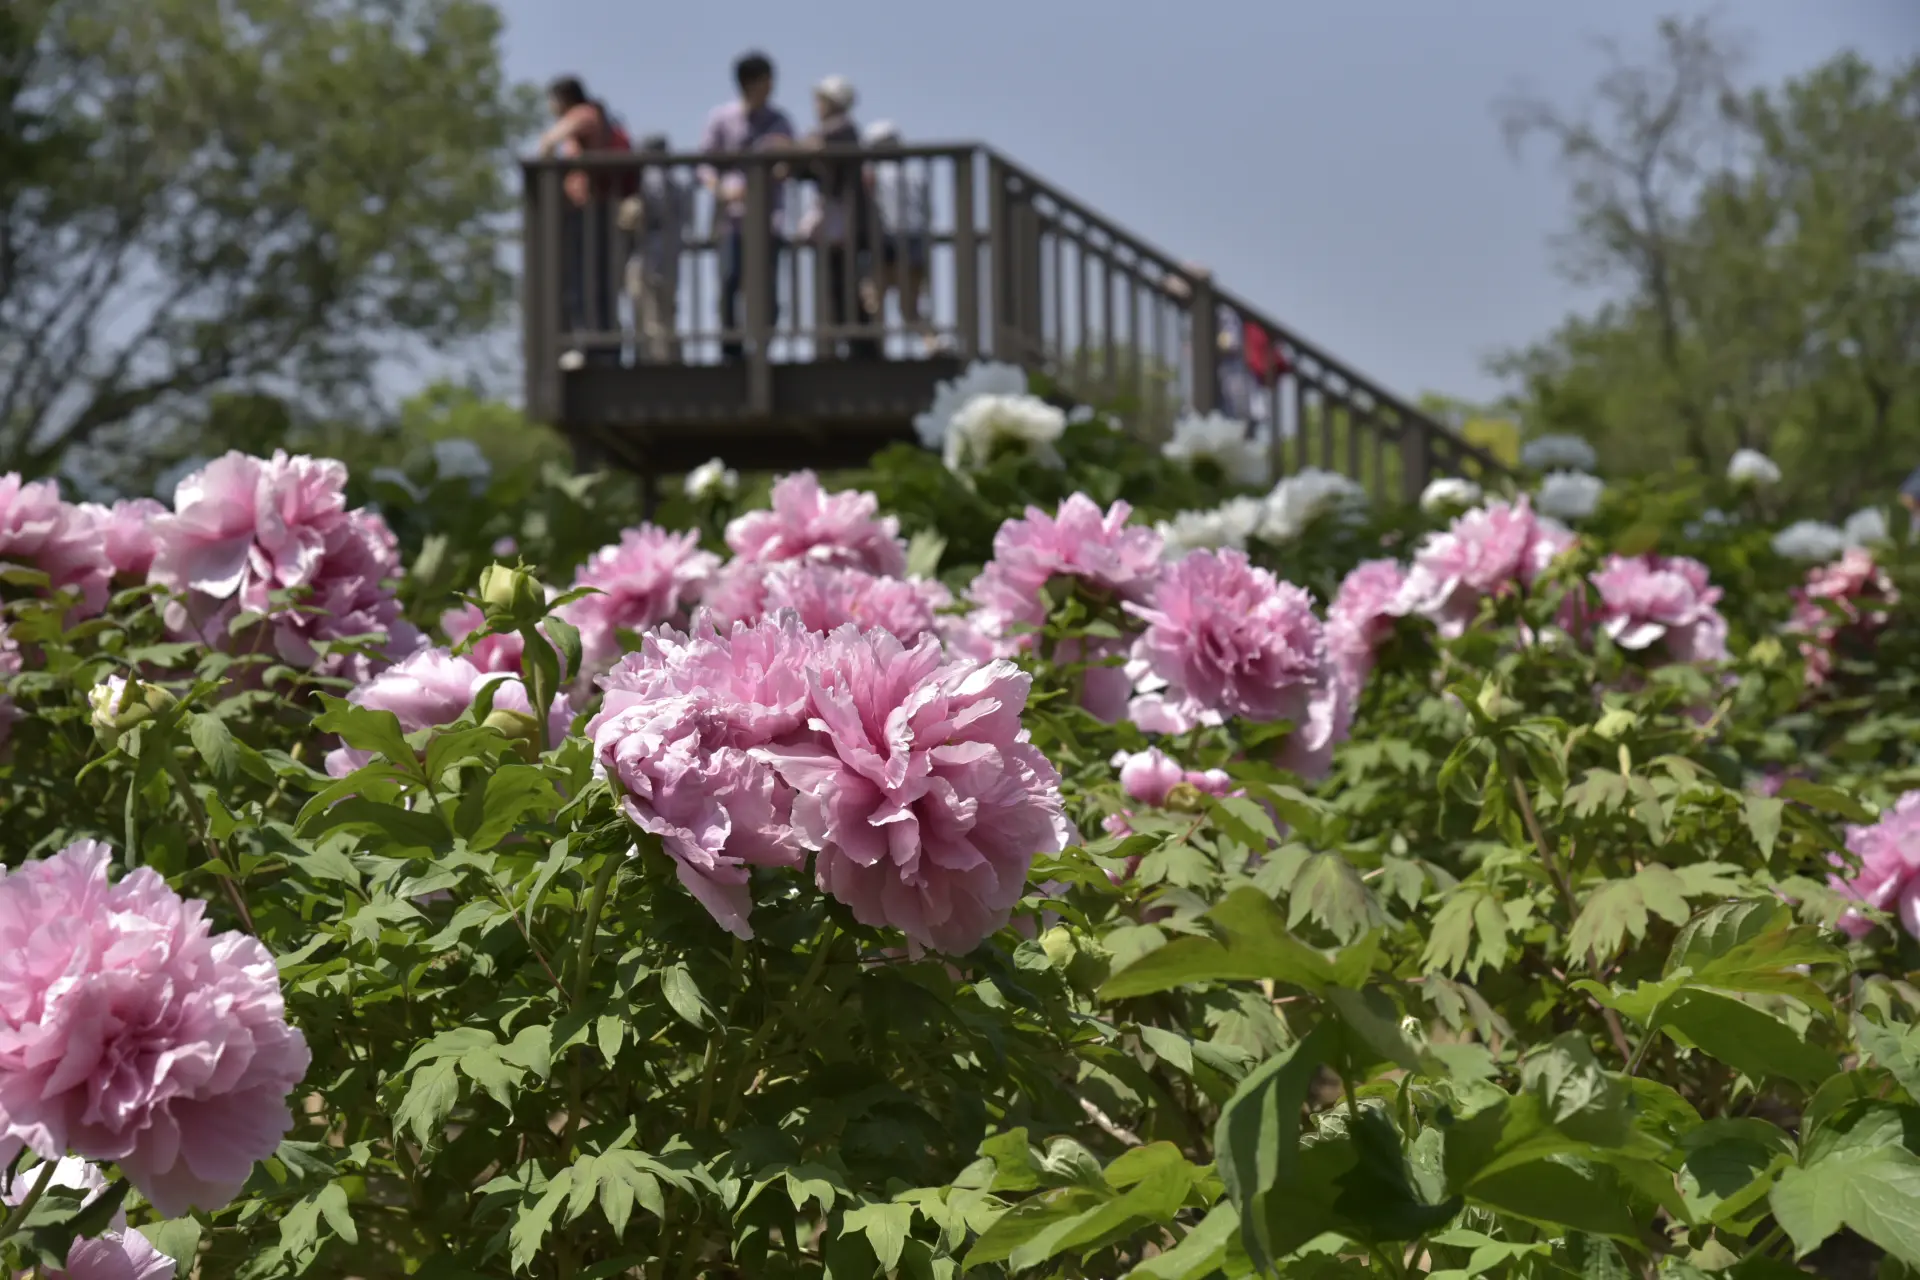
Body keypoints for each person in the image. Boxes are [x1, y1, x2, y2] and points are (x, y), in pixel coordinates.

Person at [698, 52, 795, 362]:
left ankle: (764, 349)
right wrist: (722, 190)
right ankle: (731, 350)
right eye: (767, 81)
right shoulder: (721, 118)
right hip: (732, 221)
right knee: (730, 282)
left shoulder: (779, 121)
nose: (771, 87)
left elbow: (789, 163)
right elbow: (704, 165)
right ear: (750, 83)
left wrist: (782, 168)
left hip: (769, 220)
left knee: (767, 289)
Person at [537, 76, 626, 368]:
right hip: (595, 209)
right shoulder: (597, 115)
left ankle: (591, 346)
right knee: (593, 279)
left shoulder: (582, 114)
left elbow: (550, 141)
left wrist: (545, 156)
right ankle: (602, 346)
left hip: (588, 211)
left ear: (563, 97)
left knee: (583, 279)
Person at [796, 75, 879, 360]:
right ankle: (850, 343)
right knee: (839, 285)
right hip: (839, 221)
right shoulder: (837, 132)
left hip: (845, 221)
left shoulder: (842, 130)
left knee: (846, 285)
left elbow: (811, 146)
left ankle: (860, 346)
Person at [863, 120, 935, 354]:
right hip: (916, 240)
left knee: (873, 298)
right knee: (910, 308)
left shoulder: (874, 175)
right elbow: (928, 211)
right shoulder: (916, 174)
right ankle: (931, 342)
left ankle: (877, 349)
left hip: (887, 241)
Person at [619, 133, 690, 363]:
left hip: (647, 254)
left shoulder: (650, 178)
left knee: (647, 317)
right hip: (671, 256)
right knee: (666, 314)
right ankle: (669, 361)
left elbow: (632, 216)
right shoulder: (678, 184)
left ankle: (653, 364)